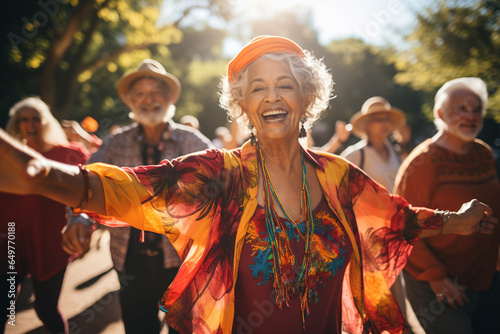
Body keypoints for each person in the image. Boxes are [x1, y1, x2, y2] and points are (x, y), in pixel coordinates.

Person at [0, 37, 496, 334]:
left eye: (286, 84)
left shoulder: (338, 174)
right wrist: (45, 177)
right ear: (242, 105)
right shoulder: (217, 175)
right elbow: (117, 189)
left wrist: (457, 220)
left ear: (306, 98)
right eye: (257, 87)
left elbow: (396, 218)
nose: (273, 95)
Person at [61, 59, 214, 334]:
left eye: (156, 92)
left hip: (182, 260)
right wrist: (79, 220)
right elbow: (86, 183)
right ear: (130, 101)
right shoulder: (115, 144)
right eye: (140, 94)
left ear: (169, 99)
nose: (148, 100)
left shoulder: (192, 141)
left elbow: (221, 181)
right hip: (130, 260)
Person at [394, 77, 500, 334]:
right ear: (440, 113)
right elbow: (403, 224)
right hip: (437, 286)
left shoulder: (484, 153)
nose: (470, 115)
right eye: (460, 108)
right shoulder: (423, 163)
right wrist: (436, 275)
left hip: (484, 277)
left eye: (476, 109)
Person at [0, 97, 88, 334]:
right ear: (16, 124)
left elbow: (88, 192)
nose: (30, 124)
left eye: (36, 119)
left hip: (50, 241)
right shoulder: (5, 160)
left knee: (46, 308)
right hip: (10, 242)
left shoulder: (70, 154)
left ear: (46, 122)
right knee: (3, 306)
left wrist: (83, 225)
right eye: (24, 119)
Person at [341, 96, 406, 191]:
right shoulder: (356, 154)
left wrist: (403, 144)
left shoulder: (396, 152)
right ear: (367, 125)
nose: (385, 124)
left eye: (387, 119)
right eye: (379, 120)